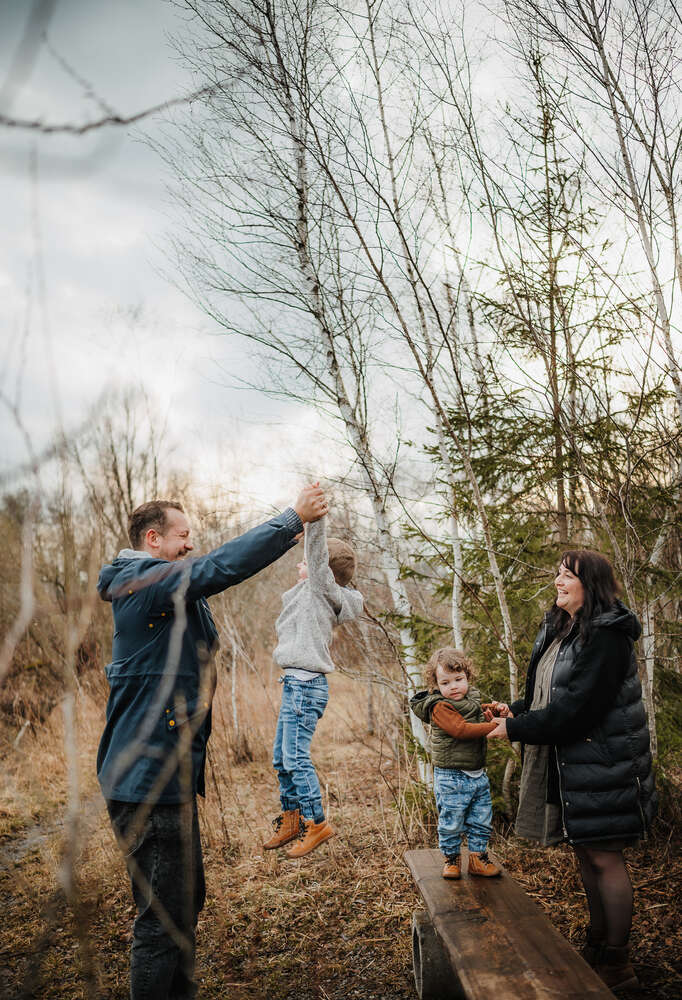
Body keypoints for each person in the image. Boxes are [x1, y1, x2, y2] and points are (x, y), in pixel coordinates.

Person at [97, 485, 327, 1000]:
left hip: (165, 777)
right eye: (182, 537)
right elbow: (216, 569)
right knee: (163, 918)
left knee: (185, 901)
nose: (190, 545)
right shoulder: (140, 581)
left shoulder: (159, 588)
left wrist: (298, 545)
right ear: (152, 540)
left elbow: (210, 581)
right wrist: (290, 519)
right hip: (146, 781)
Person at [487, 550, 656, 994]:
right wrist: (516, 710)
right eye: (557, 574)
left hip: (606, 765)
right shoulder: (562, 627)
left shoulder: (607, 637)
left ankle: (618, 963)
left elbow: (578, 710)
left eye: (566, 576)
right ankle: (598, 944)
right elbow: (551, 695)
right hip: (574, 764)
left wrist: (516, 728)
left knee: (605, 856)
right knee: (586, 853)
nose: (557, 581)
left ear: (591, 584)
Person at [262, 513, 363, 858]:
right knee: (281, 758)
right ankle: (292, 818)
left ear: (322, 569)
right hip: (295, 684)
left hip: (305, 686)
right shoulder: (310, 594)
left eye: (304, 561)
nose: (299, 566)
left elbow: (318, 555)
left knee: (295, 757)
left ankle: (316, 823)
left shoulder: (321, 588)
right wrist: (300, 534)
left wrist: (314, 519)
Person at [410, 647, 502, 880]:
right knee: (451, 820)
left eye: (459, 679)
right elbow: (460, 729)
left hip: (477, 773)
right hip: (452, 776)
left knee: (481, 818)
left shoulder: (471, 697)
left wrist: (492, 710)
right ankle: (451, 859)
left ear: (467, 677)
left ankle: (477, 859)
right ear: (436, 686)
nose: (453, 687)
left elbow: (473, 712)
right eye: (446, 682)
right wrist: (496, 727)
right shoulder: (439, 706)